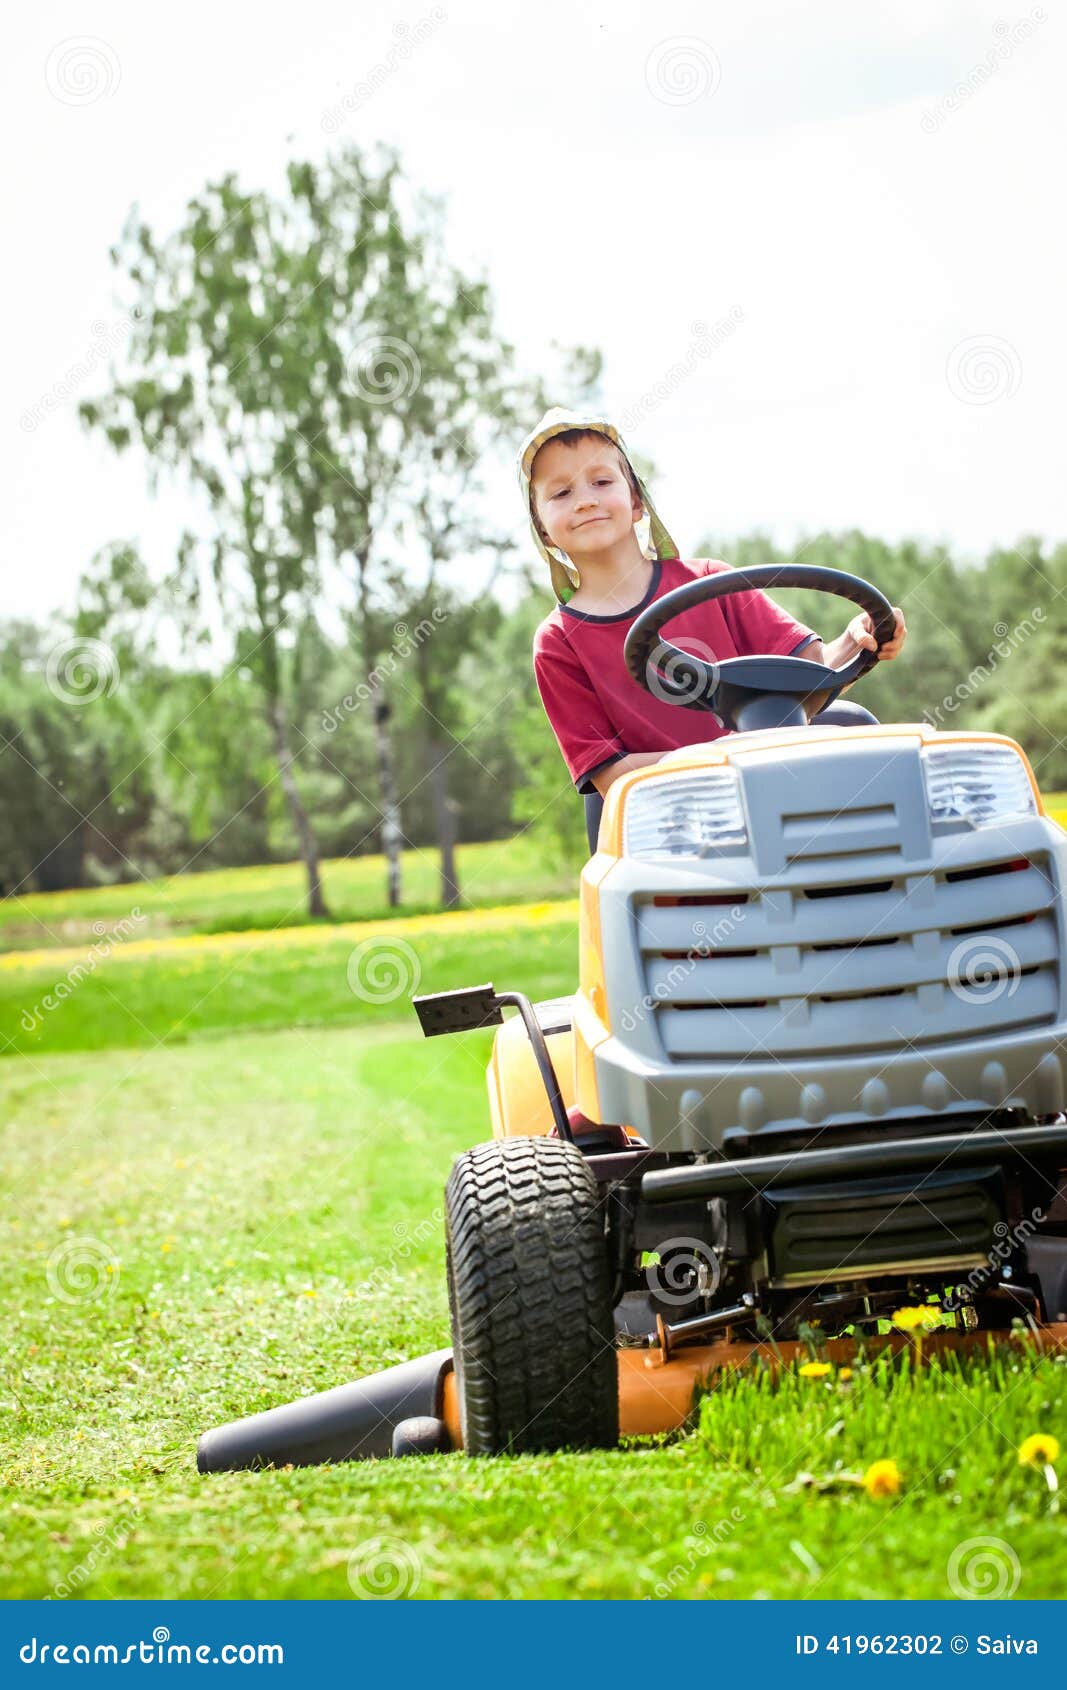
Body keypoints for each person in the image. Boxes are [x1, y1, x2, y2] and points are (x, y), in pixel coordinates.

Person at [518, 406, 907, 811]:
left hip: (776, 791)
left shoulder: (710, 582)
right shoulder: (558, 642)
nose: (584, 501)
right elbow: (613, 775)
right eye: (562, 493)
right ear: (543, 527)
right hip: (673, 823)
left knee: (854, 726)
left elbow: (811, 674)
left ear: (636, 501)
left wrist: (858, 639)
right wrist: (728, 754)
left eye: (600, 481)